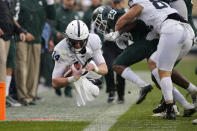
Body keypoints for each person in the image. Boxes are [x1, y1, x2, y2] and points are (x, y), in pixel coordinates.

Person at [93, 5, 196, 118]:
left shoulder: (114, 15)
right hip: (152, 39)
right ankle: (185, 104)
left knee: (117, 64)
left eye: (99, 22)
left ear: (104, 16)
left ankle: (143, 86)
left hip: (148, 39)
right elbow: (123, 42)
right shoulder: (114, 22)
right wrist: (118, 37)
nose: (101, 26)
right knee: (159, 77)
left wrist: (118, 32)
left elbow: (134, 21)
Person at [52, 20, 108, 105]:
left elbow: (104, 69)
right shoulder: (61, 49)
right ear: (67, 38)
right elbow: (55, 83)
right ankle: (86, 80)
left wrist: (95, 68)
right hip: (74, 72)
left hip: (89, 68)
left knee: (94, 91)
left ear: (87, 38)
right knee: (93, 92)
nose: (78, 45)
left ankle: (89, 78)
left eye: (81, 42)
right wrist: (73, 78)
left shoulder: (93, 40)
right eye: (74, 42)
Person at [14, 0, 56, 106]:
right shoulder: (19, 1)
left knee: (34, 69)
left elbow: (52, 15)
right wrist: (23, 31)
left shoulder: (42, 2)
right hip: (21, 38)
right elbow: (13, 18)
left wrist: (50, 2)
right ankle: (22, 96)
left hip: (36, 38)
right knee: (22, 67)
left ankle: (31, 95)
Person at [0, 0, 26, 106]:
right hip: (1, 36)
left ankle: (5, 95)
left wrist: (20, 31)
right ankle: (1, 96)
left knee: (10, 65)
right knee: (2, 64)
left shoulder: (9, 2)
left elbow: (10, 19)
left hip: (9, 35)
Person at [51, 0, 79, 97]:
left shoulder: (75, 14)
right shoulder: (57, 12)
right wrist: (56, 33)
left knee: (71, 66)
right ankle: (57, 85)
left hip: (72, 45)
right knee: (59, 66)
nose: (70, 2)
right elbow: (52, 27)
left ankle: (68, 89)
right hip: (59, 44)